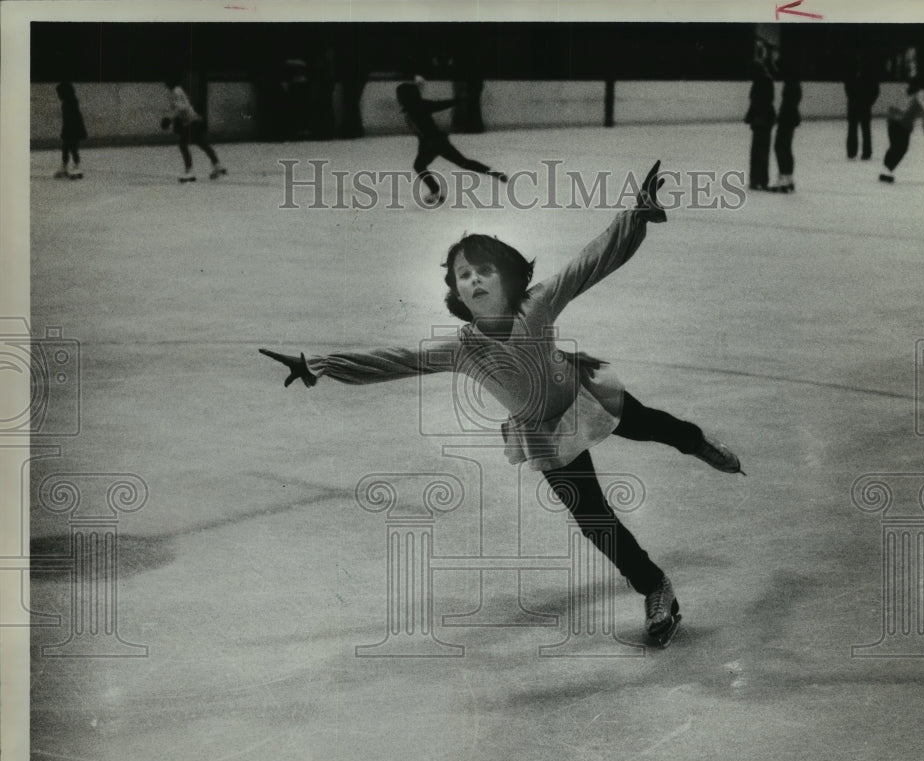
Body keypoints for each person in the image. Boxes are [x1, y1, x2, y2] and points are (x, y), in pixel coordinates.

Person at [260, 161, 745, 646]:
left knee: (656, 427)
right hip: (544, 432)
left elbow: (588, 263)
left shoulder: (535, 306)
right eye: (463, 274)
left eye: (484, 270)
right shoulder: (460, 347)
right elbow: (396, 360)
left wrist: (635, 216)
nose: (474, 280)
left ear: (510, 276)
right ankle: (656, 587)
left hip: (584, 395)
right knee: (594, 520)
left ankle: (698, 443)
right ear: (456, 292)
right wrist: (320, 365)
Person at [396, 80, 507, 205]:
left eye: (399, 95)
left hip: (432, 143)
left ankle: (436, 191)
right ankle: (493, 172)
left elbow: (439, 105)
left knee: (420, 166)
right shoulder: (416, 105)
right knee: (463, 162)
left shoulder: (416, 106)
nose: (398, 98)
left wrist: (458, 100)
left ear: (405, 96)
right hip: (436, 141)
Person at [879, 77, 924, 184]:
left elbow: (922, 109)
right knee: (900, 149)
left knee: (896, 148)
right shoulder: (922, 93)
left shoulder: (917, 93)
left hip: (895, 122)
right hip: (901, 124)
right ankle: (887, 170)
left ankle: (886, 170)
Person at [160, 79, 227, 183]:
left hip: (191, 121)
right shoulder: (177, 90)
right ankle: (217, 165)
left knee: (183, 144)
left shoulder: (176, 92)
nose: (165, 84)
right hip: (193, 120)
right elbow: (182, 106)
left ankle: (189, 172)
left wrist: (170, 118)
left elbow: (182, 107)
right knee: (202, 143)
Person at [744, 47, 777, 191]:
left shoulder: (761, 82)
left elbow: (758, 102)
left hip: (761, 120)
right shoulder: (765, 80)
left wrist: (750, 116)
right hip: (764, 119)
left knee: (758, 151)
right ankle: (760, 179)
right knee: (761, 151)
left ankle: (757, 179)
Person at [844, 52, 880, 160]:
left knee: (864, 129)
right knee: (854, 129)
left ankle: (865, 152)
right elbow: (847, 87)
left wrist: (869, 102)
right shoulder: (852, 73)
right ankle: (853, 152)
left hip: (863, 105)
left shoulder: (869, 74)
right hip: (856, 104)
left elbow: (875, 90)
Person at [770, 70, 801, 193]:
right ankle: (788, 178)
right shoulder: (795, 85)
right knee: (785, 148)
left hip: (787, 119)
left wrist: (780, 117)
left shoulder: (790, 86)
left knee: (780, 147)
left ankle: (784, 177)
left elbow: (787, 104)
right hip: (790, 118)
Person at [54, 81, 87, 180]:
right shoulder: (67, 102)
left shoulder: (71, 102)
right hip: (69, 130)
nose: (58, 95)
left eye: (59, 93)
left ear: (65, 93)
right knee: (66, 149)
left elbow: (74, 118)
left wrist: (75, 131)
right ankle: (65, 166)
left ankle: (76, 167)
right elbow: (67, 120)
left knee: (73, 149)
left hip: (74, 130)